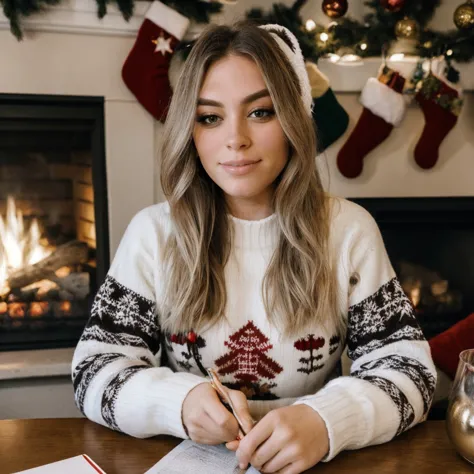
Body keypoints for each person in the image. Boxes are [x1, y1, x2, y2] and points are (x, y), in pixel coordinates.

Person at [72, 20, 437, 474]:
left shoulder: (347, 230)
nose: (235, 138)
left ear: (293, 119)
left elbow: (411, 371)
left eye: (260, 112)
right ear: (191, 130)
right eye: (210, 117)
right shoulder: (153, 234)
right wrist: (178, 403)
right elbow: (94, 371)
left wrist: (326, 422)